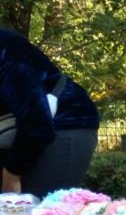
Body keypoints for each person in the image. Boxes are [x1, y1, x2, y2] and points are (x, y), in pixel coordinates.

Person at [0, 28, 99, 198]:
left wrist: (11, 176)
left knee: (39, 211)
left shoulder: (6, 52)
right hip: (23, 132)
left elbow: (36, 120)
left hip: (63, 125)